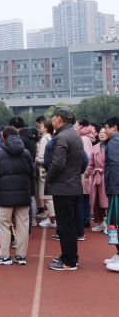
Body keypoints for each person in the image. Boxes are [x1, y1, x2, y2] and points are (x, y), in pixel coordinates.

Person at [0, 127, 34, 265]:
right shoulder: (26, 153)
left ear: (4, 137)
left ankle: (4, 254)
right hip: (23, 194)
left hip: (4, 195)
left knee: (4, 224)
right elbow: (32, 174)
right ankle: (21, 255)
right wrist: (31, 192)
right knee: (23, 224)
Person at [46, 106, 84, 271]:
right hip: (73, 184)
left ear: (59, 118)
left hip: (63, 187)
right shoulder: (74, 134)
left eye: (53, 116)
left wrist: (49, 178)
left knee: (65, 226)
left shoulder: (61, 137)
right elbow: (83, 161)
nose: (52, 119)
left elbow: (58, 164)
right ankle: (68, 256)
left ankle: (69, 261)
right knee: (69, 225)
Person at [103, 117, 119, 271]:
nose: (105, 130)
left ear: (115, 127)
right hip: (115, 187)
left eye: (107, 127)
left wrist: (113, 188)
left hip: (116, 188)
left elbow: (115, 165)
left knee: (114, 222)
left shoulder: (114, 142)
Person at [87, 128, 108, 233]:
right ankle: (100, 223)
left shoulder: (112, 146)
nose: (102, 134)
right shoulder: (95, 147)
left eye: (104, 133)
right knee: (96, 202)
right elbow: (90, 164)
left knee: (108, 202)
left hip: (108, 177)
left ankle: (110, 224)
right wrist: (91, 173)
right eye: (100, 133)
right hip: (97, 177)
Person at [37, 120, 56, 228]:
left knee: (47, 197)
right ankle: (52, 218)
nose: (40, 128)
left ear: (46, 128)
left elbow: (41, 157)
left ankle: (53, 220)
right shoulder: (52, 138)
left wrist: (36, 160)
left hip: (44, 169)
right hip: (51, 168)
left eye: (41, 126)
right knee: (51, 196)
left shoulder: (44, 139)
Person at [77, 119, 95, 227]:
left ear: (81, 126)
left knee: (83, 196)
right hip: (86, 172)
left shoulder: (83, 138)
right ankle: (85, 218)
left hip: (84, 173)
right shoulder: (87, 137)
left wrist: (85, 172)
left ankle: (85, 219)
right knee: (85, 196)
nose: (75, 126)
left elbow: (86, 157)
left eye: (76, 124)